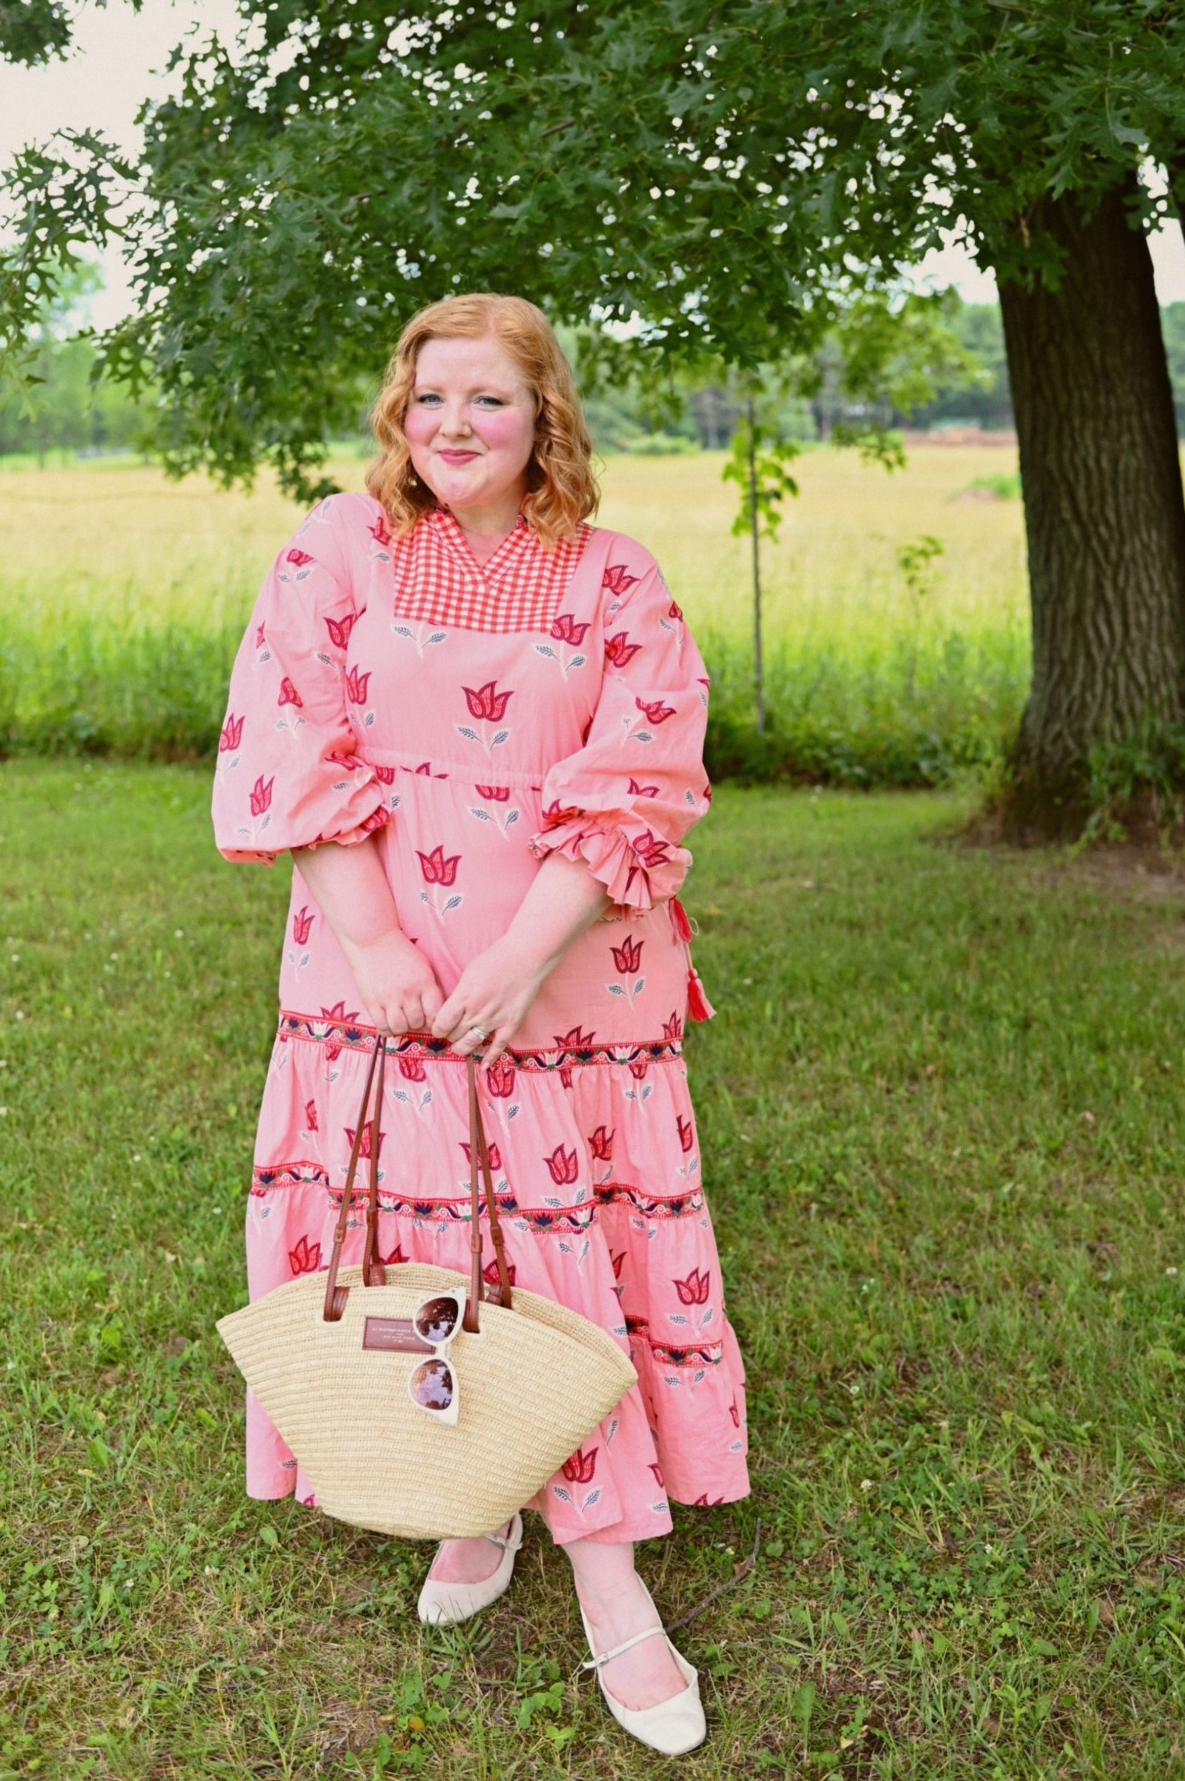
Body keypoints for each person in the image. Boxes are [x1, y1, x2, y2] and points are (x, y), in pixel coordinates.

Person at [211, 292, 749, 1755]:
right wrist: (375, 941)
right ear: (401, 409)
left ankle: (612, 1589)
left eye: (490, 401)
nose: (454, 424)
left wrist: (520, 957)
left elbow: (647, 771)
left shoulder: (617, 579)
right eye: (431, 396)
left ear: (543, 420)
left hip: (566, 977)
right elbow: (286, 736)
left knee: (568, 1264)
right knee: (421, 1249)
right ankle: (474, 1498)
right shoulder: (335, 548)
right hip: (372, 980)